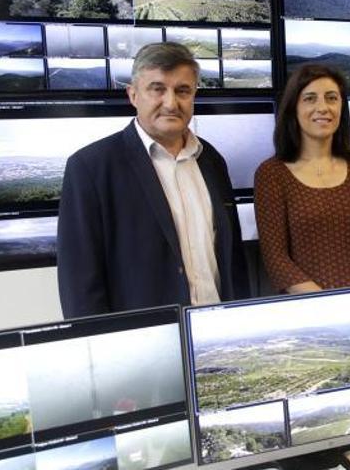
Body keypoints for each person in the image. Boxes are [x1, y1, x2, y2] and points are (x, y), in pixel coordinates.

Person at [57, 42, 248, 318]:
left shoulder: (211, 160)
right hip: (145, 342)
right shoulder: (90, 168)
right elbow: (79, 286)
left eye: (182, 90)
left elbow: (232, 260)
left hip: (217, 330)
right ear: (133, 95)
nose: (171, 103)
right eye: (157, 89)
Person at [255, 64, 350, 293]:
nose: (322, 107)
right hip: (308, 308)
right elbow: (276, 259)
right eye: (309, 98)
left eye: (331, 98)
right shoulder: (271, 174)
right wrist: (329, 304)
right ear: (293, 108)